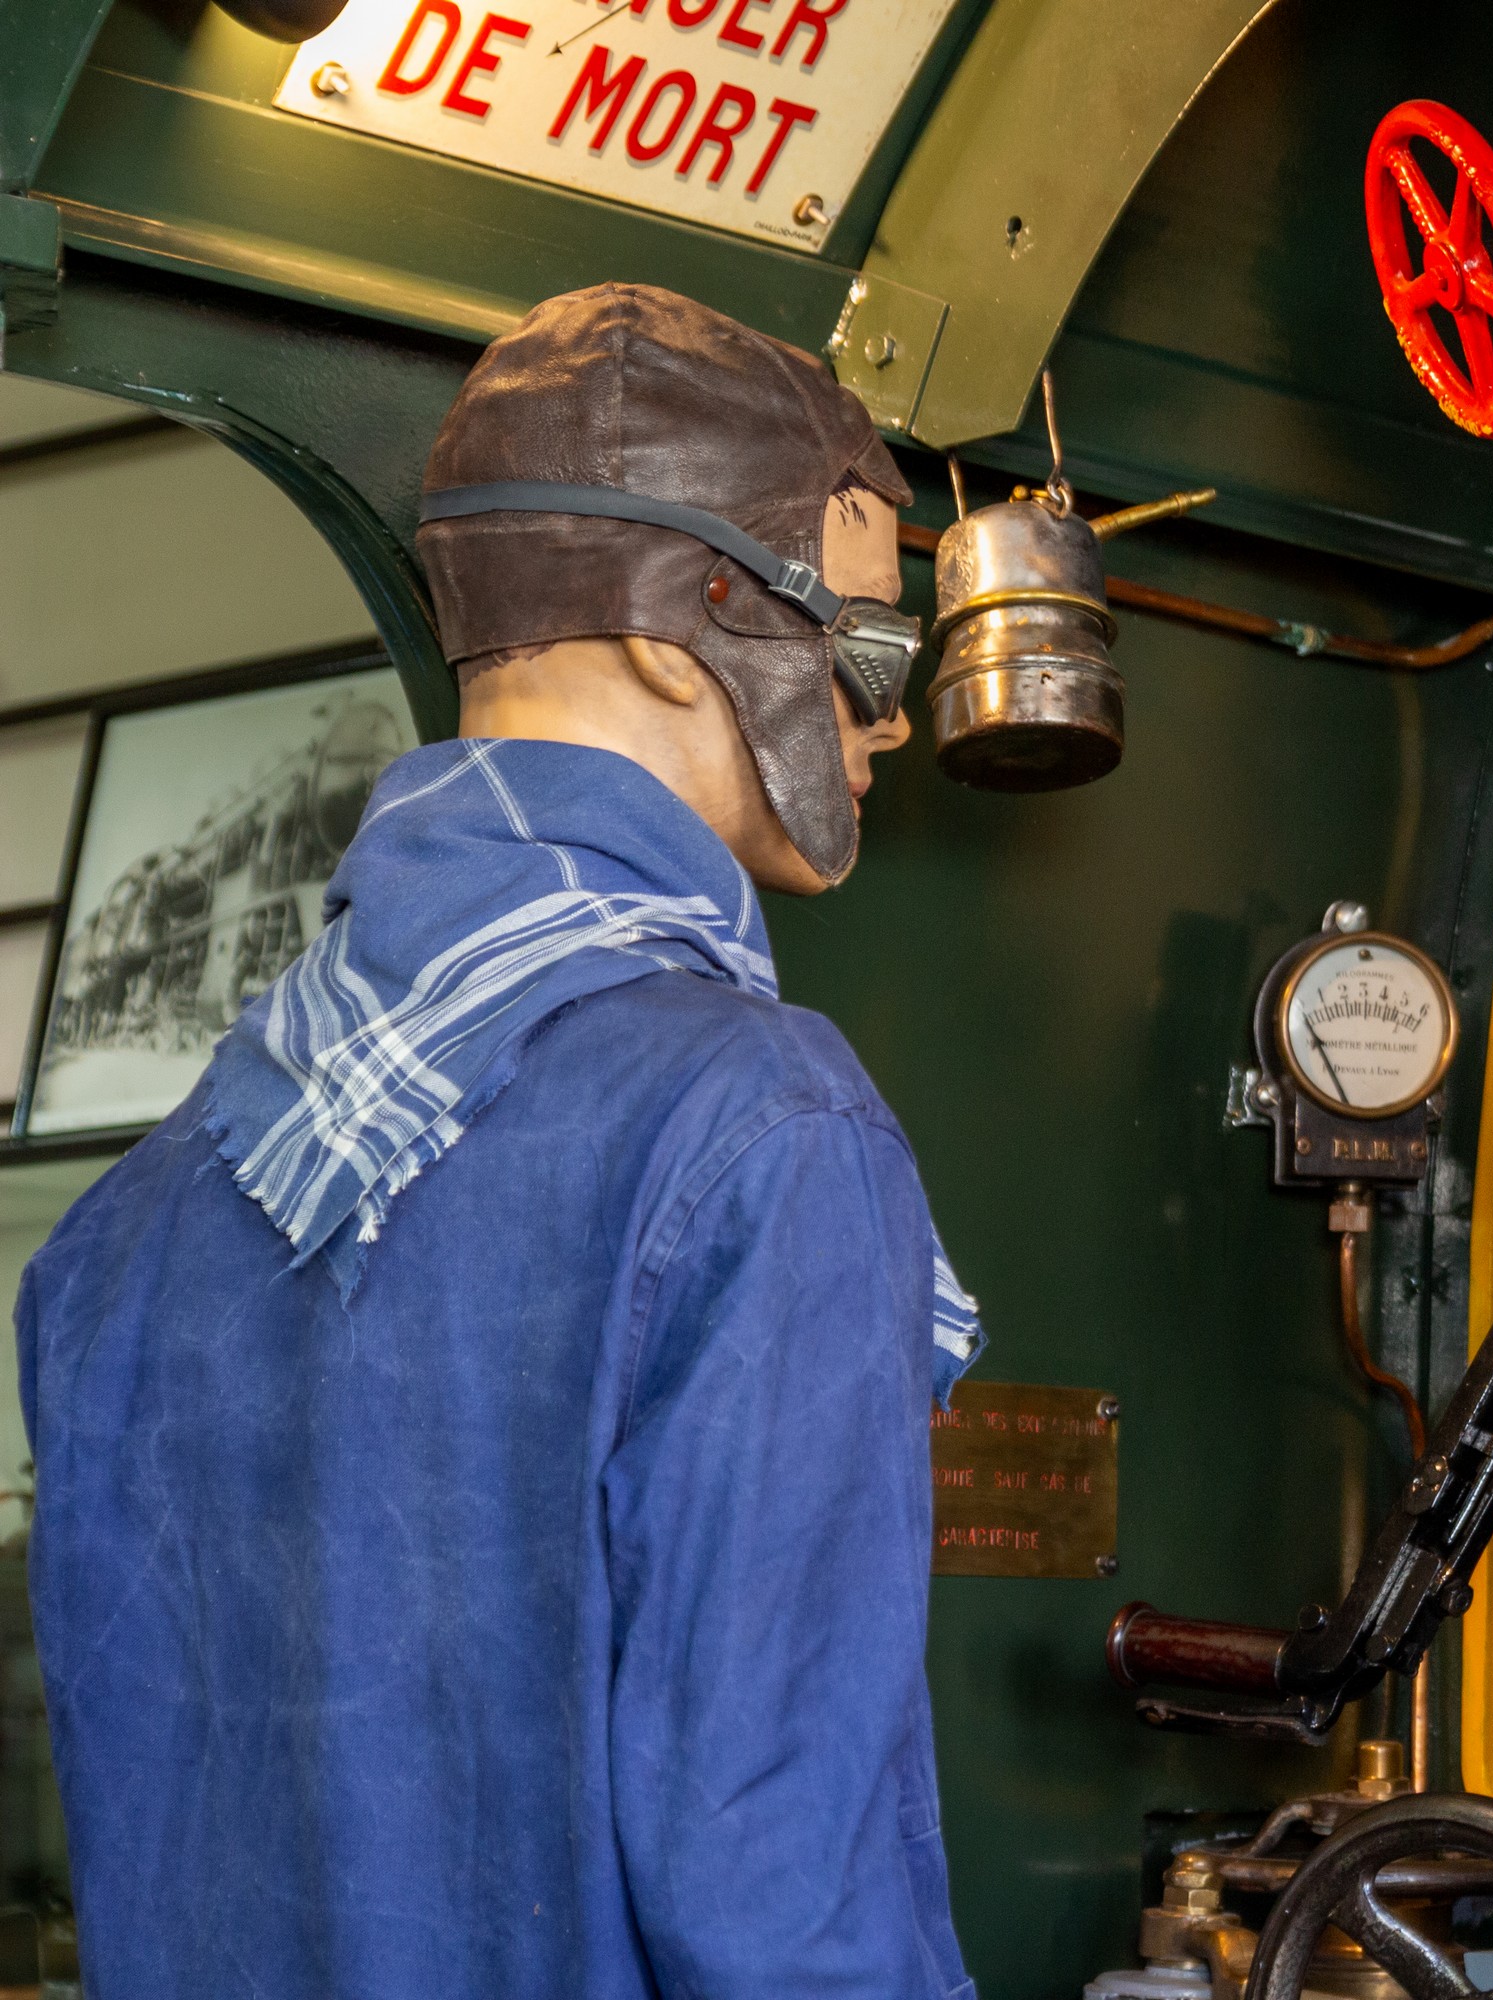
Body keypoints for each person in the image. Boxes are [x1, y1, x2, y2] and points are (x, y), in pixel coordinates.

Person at [15, 284, 982, 1998]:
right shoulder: (762, 1133)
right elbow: (789, 1907)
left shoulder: (115, 1239)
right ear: (685, 624)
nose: (887, 720)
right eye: (871, 649)